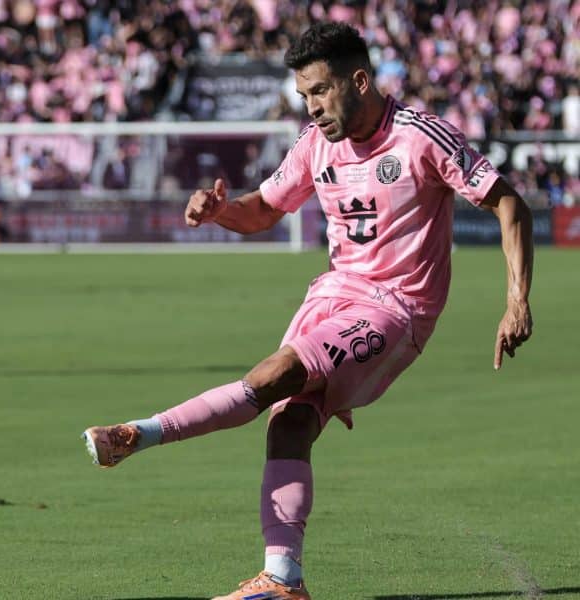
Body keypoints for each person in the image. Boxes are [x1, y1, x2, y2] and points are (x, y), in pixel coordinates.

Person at [81, 22, 533, 600]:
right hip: (332, 296)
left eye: (320, 90)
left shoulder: (420, 136)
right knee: (289, 421)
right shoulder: (315, 143)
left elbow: (508, 204)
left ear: (359, 81)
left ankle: (137, 434)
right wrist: (220, 211)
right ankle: (283, 579)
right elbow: (264, 209)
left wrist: (516, 300)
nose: (312, 107)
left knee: (276, 374)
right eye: (304, 95)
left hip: (397, 307)